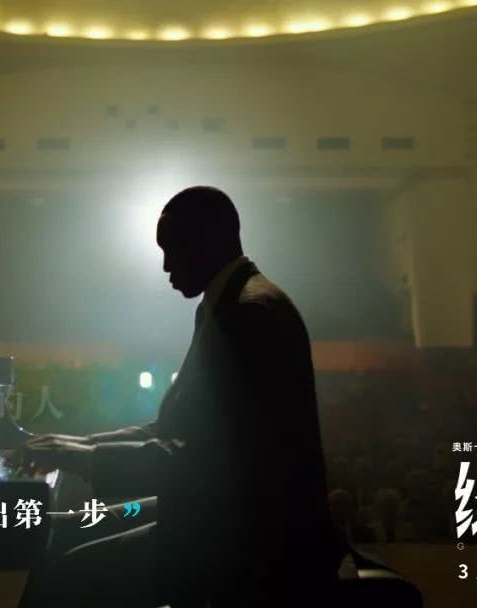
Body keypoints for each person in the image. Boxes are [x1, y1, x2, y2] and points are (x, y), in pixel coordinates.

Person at [19, 185, 347, 607]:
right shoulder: (234, 302)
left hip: (252, 545)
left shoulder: (248, 314)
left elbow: (202, 462)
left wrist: (84, 459)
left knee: (68, 575)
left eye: (173, 249)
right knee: (64, 529)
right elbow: (180, 430)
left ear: (210, 242)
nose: (165, 266)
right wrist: (79, 444)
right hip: (229, 517)